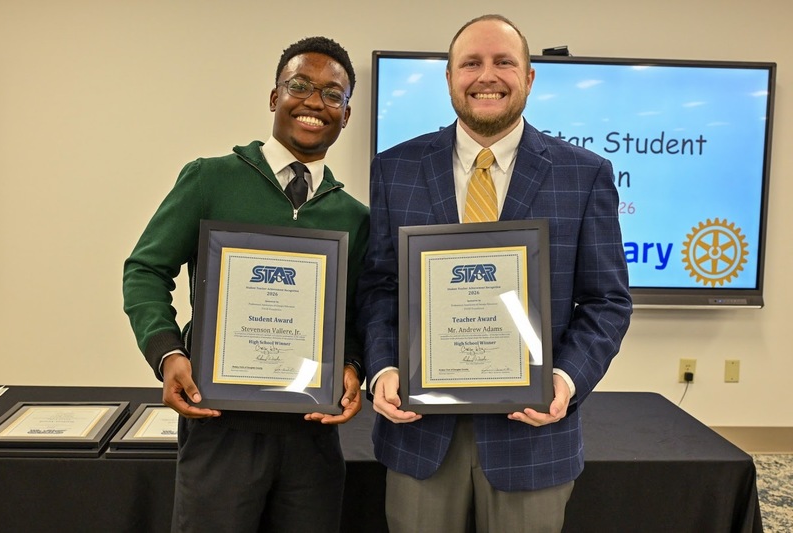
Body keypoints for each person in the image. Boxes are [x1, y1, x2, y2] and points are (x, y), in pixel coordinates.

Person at [357, 14, 632, 533]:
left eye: (504, 62)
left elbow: (607, 301)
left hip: (532, 436)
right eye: (471, 63)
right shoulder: (395, 167)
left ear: (529, 77)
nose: (487, 76)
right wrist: (382, 368)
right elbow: (379, 287)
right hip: (420, 433)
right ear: (449, 78)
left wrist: (564, 379)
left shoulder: (585, 173)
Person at [123, 36, 369, 533]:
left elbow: (362, 311)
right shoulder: (209, 180)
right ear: (275, 96)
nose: (314, 102)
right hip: (219, 425)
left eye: (332, 94)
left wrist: (353, 364)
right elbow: (145, 270)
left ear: (345, 114)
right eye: (300, 85)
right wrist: (168, 353)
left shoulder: (354, 217)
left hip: (311, 434)